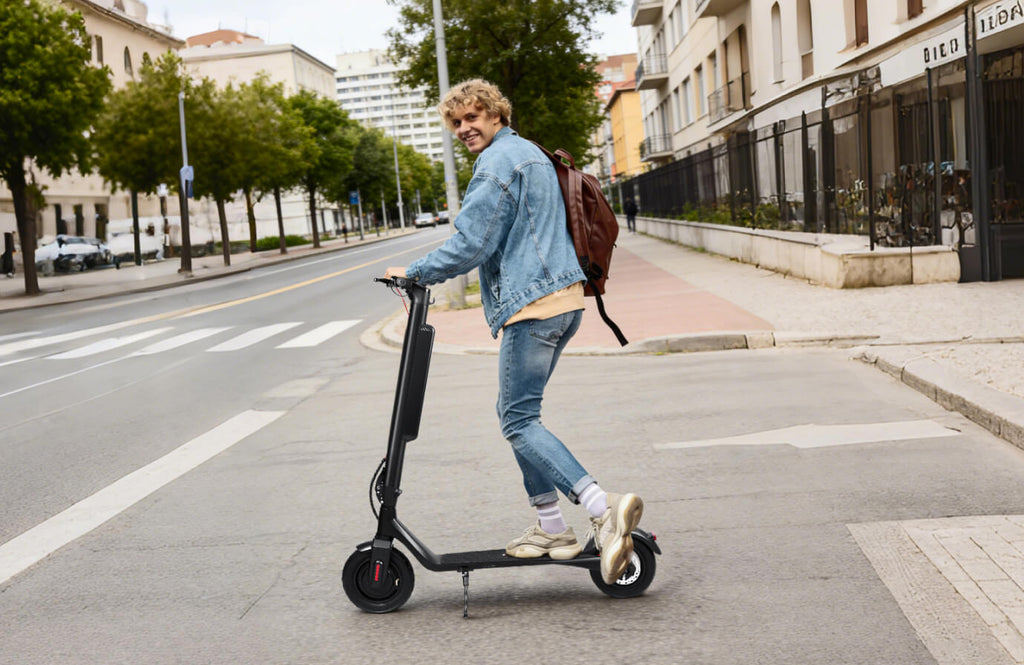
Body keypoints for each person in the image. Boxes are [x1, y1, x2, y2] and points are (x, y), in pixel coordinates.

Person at [384, 79, 643, 585]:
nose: (464, 128)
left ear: (496, 115)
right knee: (517, 414)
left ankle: (599, 504)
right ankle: (551, 526)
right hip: (561, 299)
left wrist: (414, 273)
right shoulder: (530, 153)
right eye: (456, 122)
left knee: (518, 420)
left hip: (534, 304)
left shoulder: (500, 162)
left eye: (473, 117)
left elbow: (472, 243)